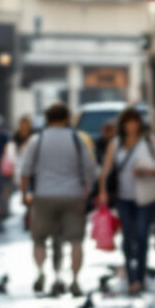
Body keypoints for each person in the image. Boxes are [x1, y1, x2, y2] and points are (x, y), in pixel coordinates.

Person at [18, 102, 97, 289]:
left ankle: (41, 273)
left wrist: (24, 194)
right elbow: (90, 168)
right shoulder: (77, 139)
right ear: (66, 118)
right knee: (76, 240)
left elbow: (25, 171)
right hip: (73, 195)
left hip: (44, 195)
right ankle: (75, 280)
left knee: (39, 239)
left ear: (47, 118)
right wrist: (88, 188)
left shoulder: (37, 140)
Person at [97, 107, 155, 294]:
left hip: (147, 196)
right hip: (124, 197)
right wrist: (103, 192)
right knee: (128, 236)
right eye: (128, 122)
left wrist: (148, 172)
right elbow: (106, 169)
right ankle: (131, 276)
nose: (131, 126)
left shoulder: (150, 141)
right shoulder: (116, 143)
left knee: (142, 235)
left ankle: (140, 276)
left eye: (134, 121)